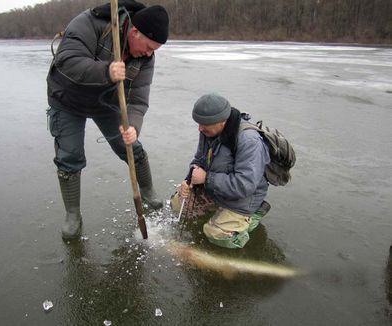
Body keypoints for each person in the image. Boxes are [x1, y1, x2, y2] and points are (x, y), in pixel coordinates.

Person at [46, 1, 169, 240]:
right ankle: (73, 216)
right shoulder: (90, 23)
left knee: (131, 145)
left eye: (155, 50)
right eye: (148, 47)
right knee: (69, 156)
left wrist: (133, 125)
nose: (149, 54)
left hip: (106, 102)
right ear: (135, 32)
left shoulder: (145, 58)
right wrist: (106, 71)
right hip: (67, 99)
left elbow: (139, 99)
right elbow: (67, 61)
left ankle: (147, 191)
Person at [172, 93, 271, 249]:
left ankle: (250, 219)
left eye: (203, 124)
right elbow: (199, 160)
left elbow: (245, 185)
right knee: (178, 205)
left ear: (222, 121)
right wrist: (189, 179)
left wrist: (206, 178)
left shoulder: (249, 140)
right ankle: (218, 210)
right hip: (217, 189)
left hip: (243, 199)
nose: (199, 128)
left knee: (215, 234)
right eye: (198, 123)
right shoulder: (208, 130)